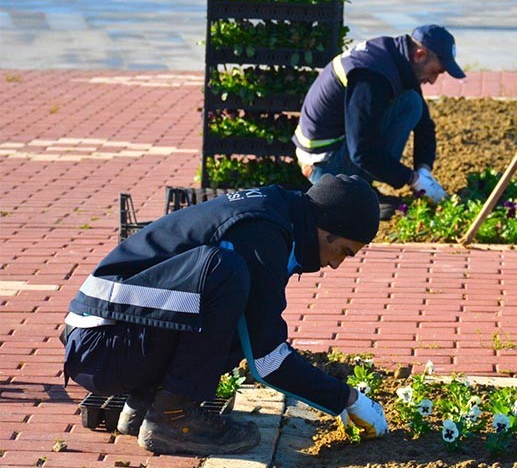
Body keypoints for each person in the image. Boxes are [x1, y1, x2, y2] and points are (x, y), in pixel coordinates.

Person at [62, 174, 388, 455]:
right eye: (344, 251)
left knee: (241, 307)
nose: (335, 264)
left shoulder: (277, 215)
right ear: (326, 229)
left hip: (111, 340)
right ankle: (173, 417)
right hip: (102, 347)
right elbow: (268, 359)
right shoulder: (262, 232)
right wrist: (346, 399)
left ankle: (148, 404)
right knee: (227, 274)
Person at [293, 24, 466, 219]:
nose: (433, 80)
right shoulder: (372, 75)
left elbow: (424, 124)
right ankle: (355, 192)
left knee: (412, 103)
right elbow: (362, 151)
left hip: (337, 147)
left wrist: (423, 169)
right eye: (436, 71)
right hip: (325, 164)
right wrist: (412, 179)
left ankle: (361, 187)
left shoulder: (396, 57)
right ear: (419, 54)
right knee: (409, 104)